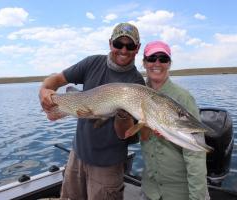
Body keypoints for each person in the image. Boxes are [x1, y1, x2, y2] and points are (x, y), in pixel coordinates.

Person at [39, 22, 145, 200]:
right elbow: (55, 80)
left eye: (130, 45)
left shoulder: (137, 84)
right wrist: (44, 91)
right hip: (77, 154)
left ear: (137, 48)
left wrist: (122, 114)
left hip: (108, 165)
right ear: (110, 43)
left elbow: (126, 135)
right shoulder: (92, 63)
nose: (124, 50)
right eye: (119, 44)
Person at [140, 41, 208, 200]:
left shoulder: (183, 98)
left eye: (163, 59)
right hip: (150, 190)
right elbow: (133, 137)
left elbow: (195, 153)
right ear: (144, 63)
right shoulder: (136, 94)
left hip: (180, 192)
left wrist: (196, 196)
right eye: (152, 58)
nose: (157, 63)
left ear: (169, 64)